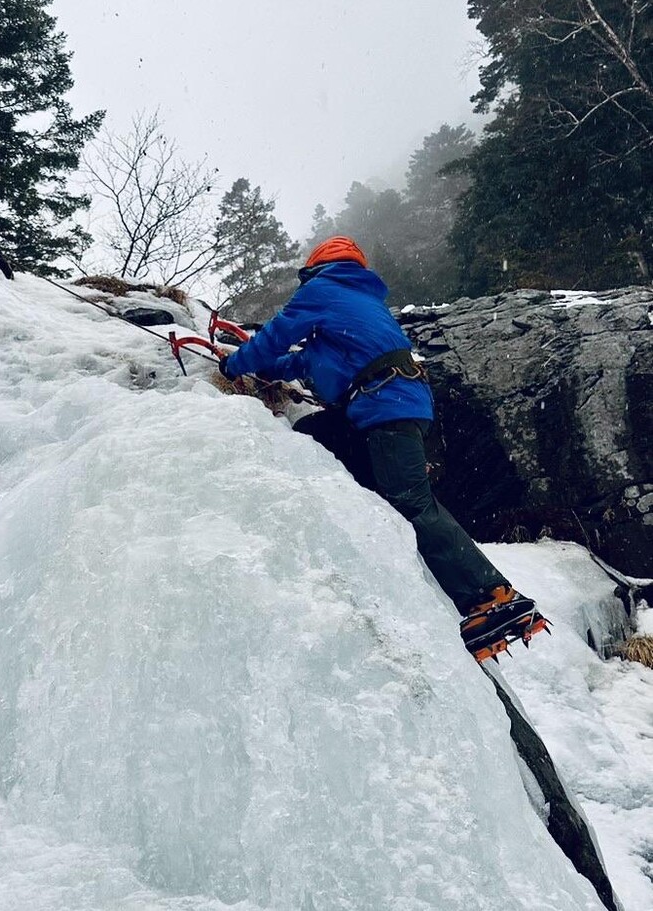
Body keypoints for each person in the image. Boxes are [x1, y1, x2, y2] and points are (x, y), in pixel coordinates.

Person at [218, 235, 546, 661]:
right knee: (316, 436)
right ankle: (473, 592)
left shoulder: (323, 291)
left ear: (315, 269)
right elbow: (298, 361)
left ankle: (492, 594)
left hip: (385, 406)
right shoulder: (361, 304)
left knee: (411, 501)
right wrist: (258, 365)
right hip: (392, 405)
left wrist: (232, 364)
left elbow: (279, 335)